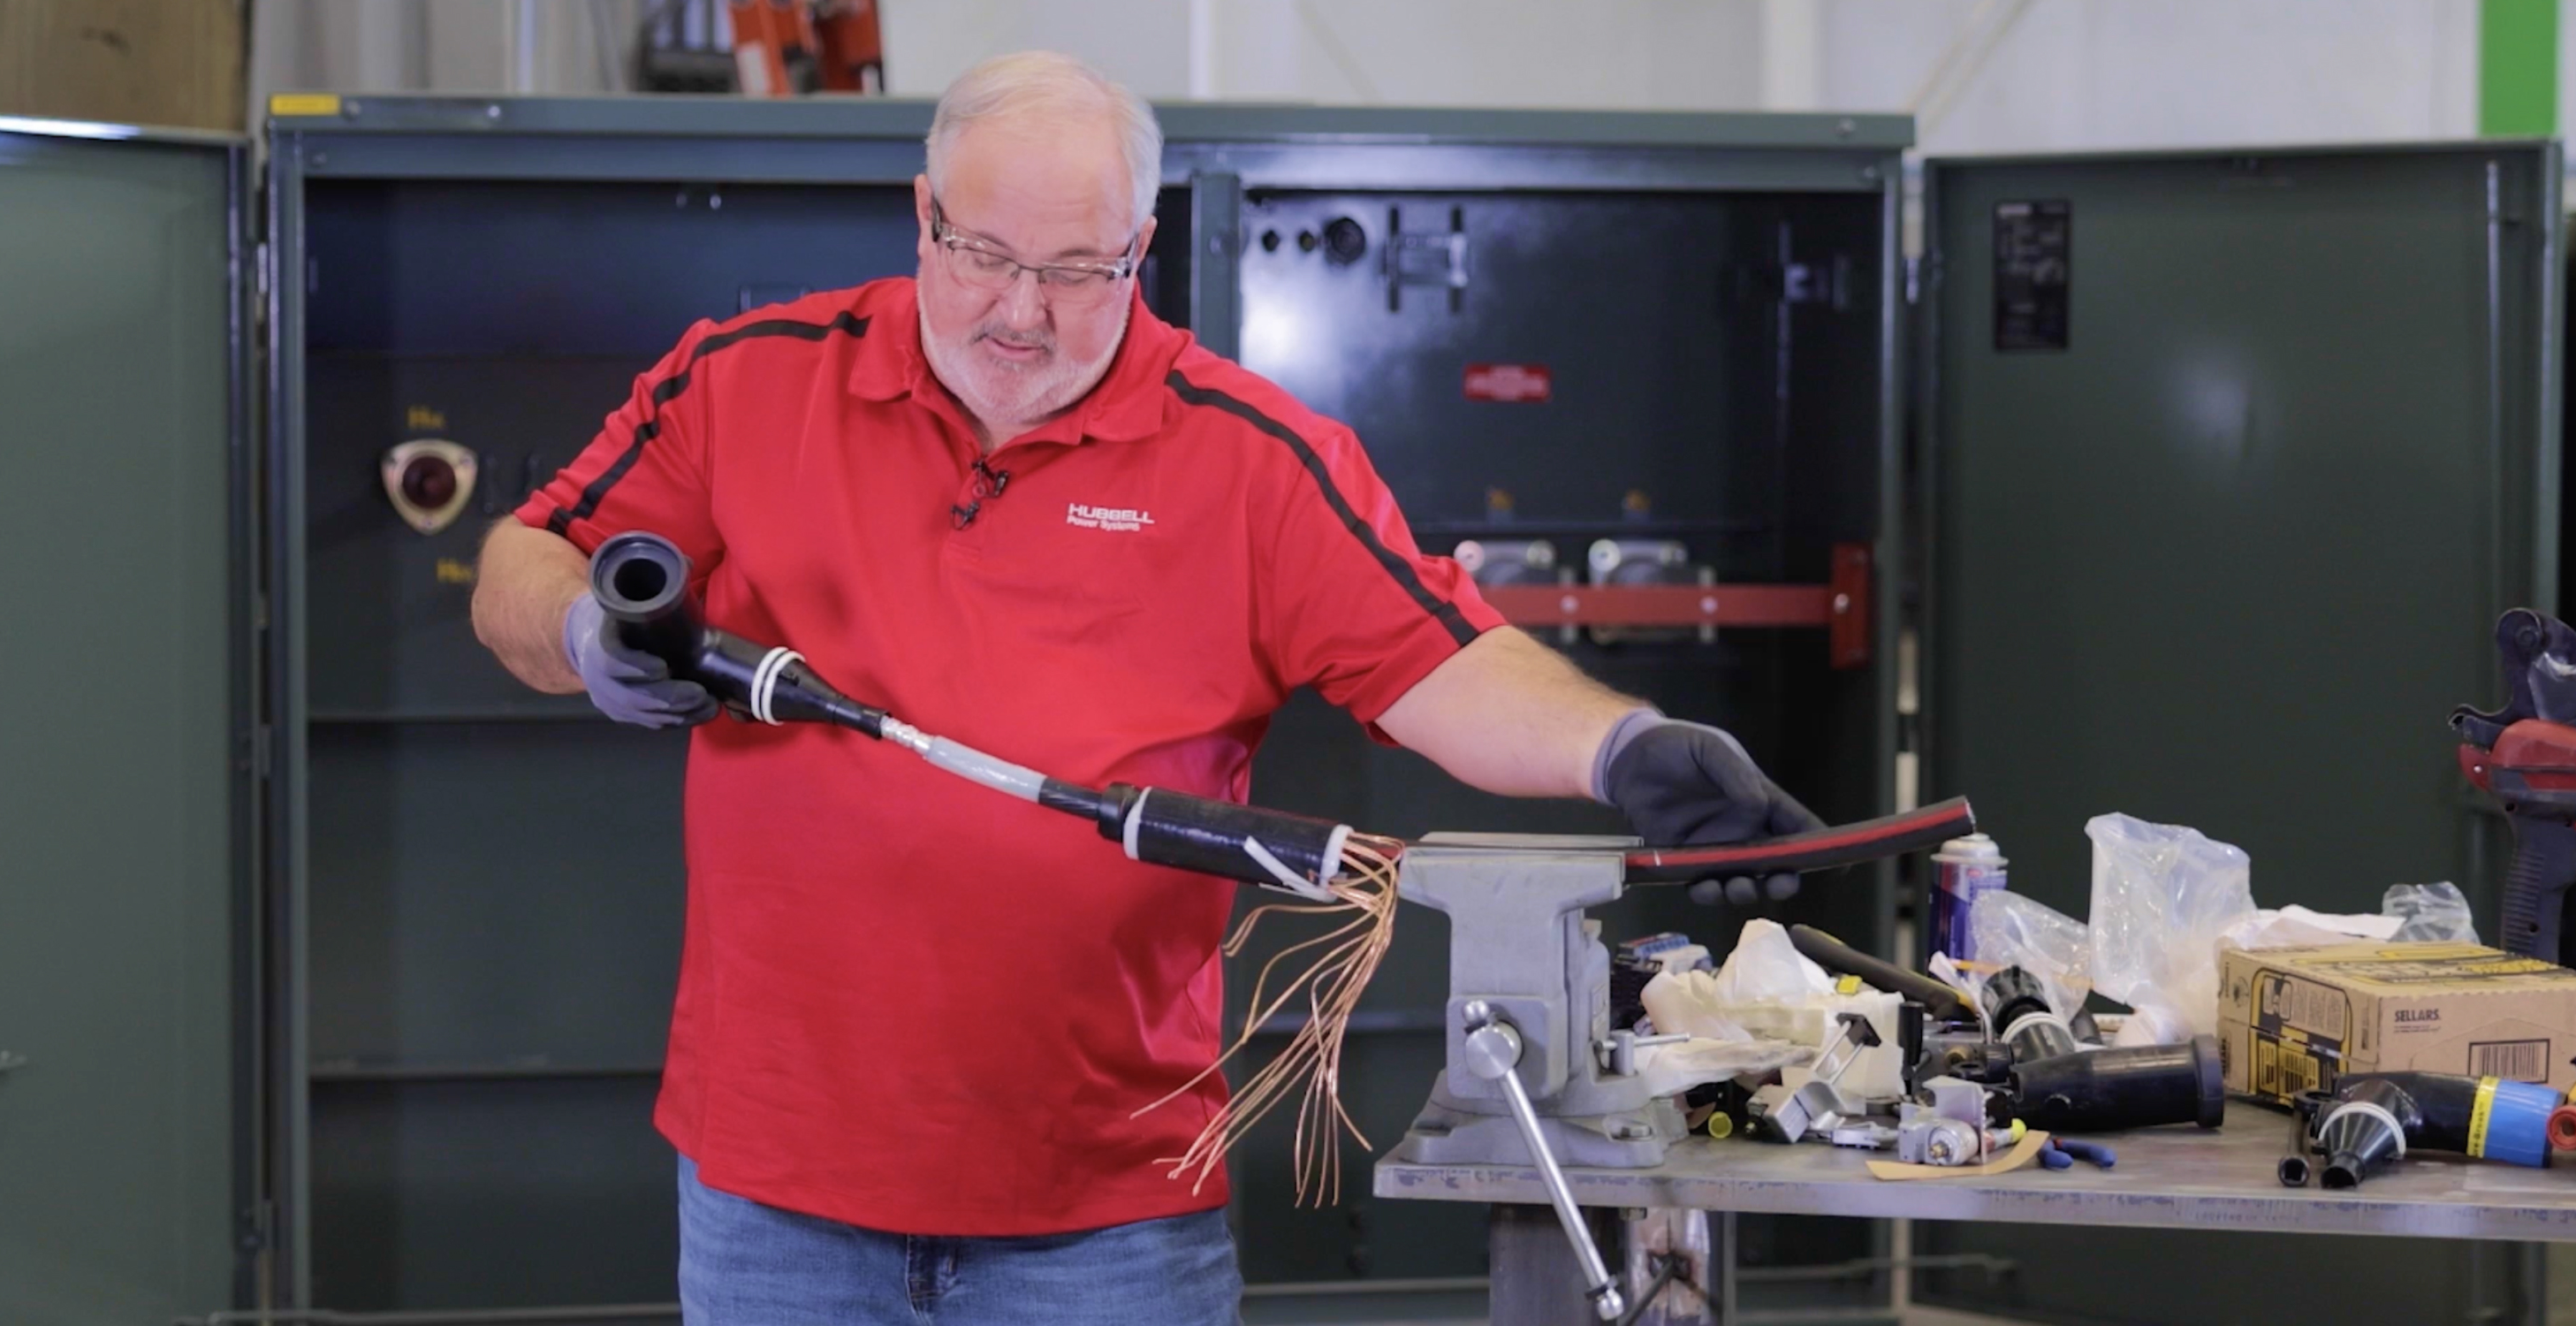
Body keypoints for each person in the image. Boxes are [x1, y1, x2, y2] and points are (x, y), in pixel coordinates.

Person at [472, 49, 1816, 1326]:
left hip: (1104, 1218)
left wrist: (1626, 747)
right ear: (922, 215)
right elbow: (524, 558)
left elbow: (1438, 664)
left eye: (1075, 270)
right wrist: (588, 638)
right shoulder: (747, 381)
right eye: (984, 255)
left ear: (1141, 249)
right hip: (776, 1197)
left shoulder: (1250, 460)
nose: (1021, 311)